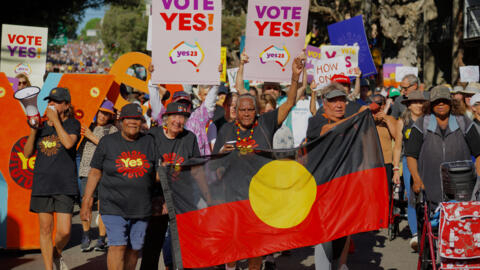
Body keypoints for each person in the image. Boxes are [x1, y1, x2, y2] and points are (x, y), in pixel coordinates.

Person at [213, 54, 305, 270]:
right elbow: (214, 164)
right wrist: (222, 154)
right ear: (236, 112)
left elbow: (290, 102)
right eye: (242, 110)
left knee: (257, 246)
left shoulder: (265, 123)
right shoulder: (226, 129)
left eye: (250, 110)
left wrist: (294, 77)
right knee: (233, 245)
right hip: (232, 197)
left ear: (257, 111)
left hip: (260, 197)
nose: (246, 114)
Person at [306, 83, 378, 270]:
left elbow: (361, 152)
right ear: (324, 103)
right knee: (325, 234)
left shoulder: (352, 123)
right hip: (323, 188)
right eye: (333, 100)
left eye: (342, 100)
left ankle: (341, 265)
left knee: (344, 230)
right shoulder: (316, 120)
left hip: (347, 186)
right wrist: (359, 115)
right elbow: (328, 130)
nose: (339, 104)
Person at [80, 103, 158, 270]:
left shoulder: (149, 142)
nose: (132, 122)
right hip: (112, 204)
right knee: (118, 245)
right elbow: (95, 172)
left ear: (141, 122)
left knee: (134, 248)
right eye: (128, 118)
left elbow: (158, 172)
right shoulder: (107, 142)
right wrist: (87, 200)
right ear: (121, 121)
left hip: (141, 206)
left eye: (137, 119)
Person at [24, 87, 80, 270]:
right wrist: (33, 131)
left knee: (64, 231)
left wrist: (55, 121)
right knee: (45, 230)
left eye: (56, 102)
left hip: (64, 184)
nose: (51, 104)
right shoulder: (41, 127)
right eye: (50, 101)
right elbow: (26, 153)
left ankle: (56, 252)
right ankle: (49, 268)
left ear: (66, 105)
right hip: (43, 183)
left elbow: (68, 143)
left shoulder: (73, 124)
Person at [141, 102, 202, 270]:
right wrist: (160, 198)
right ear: (165, 119)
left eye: (182, 117)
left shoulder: (189, 138)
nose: (178, 120)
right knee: (152, 245)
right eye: (174, 116)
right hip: (155, 197)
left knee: (184, 246)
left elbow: (196, 170)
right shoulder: (152, 136)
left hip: (181, 197)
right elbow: (145, 169)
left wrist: (206, 196)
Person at [405, 85, 480, 207]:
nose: (440, 104)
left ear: (451, 103)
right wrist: (416, 179)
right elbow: (411, 155)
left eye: (444, 101)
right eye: (436, 101)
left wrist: (478, 179)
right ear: (430, 104)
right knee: (431, 224)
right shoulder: (422, 123)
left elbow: (478, 153)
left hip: (461, 191)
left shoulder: (464, 122)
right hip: (429, 190)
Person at [78, 100, 118, 252]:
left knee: (103, 205)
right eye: (101, 112)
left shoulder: (113, 129)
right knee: (86, 202)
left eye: (107, 113)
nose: (103, 116)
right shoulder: (88, 125)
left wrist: (90, 136)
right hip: (86, 169)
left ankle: (101, 239)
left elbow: (110, 148)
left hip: (105, 170)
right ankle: (86, 235)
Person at [392, 90, 427, 251]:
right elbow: (398, 147)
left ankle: (429, 230)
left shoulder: (429, 120)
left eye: (421, 102)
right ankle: (415, 234)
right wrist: (395, 169)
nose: (418, 105)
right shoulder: (402, 122)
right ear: (409, 105)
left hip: (428, 161)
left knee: (429, 195)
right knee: (413, 196)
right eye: (415, 102)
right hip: (408, 162)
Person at [371, 94, 400, 197]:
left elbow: (397, 137)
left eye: (378, 104)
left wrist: (386, 119)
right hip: (370, 163)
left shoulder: (390, 119)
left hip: (386, 162)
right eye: (373, 103)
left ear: (383, 105)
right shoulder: (367, 118)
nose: (376, 106)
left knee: (386, 193)